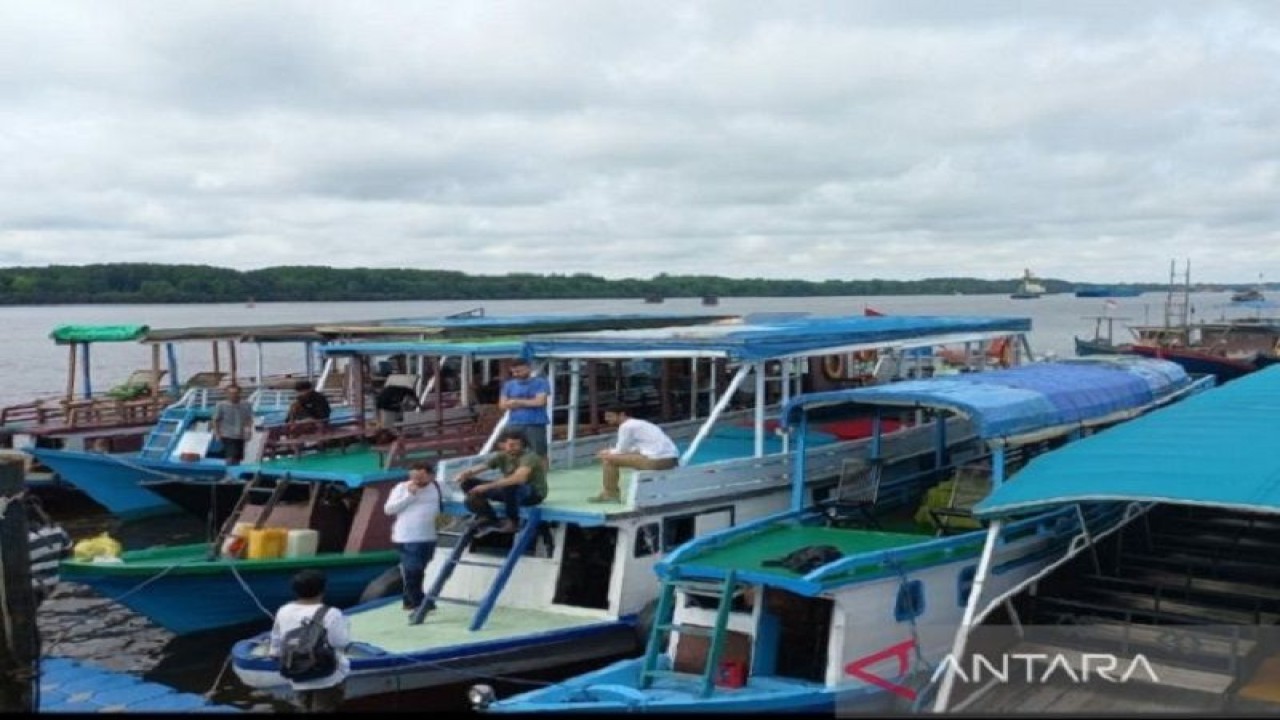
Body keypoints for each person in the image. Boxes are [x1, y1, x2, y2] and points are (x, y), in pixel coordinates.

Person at [270, 569, 350, 713]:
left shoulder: (284, 610)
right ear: (323, 590)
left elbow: (276, 639)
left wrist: (275, 654)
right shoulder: (332, 613)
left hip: (296, 671)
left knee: (302, 707)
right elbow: (340, 642)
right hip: (328, 675)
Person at [453, 428, 547, 537]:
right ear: (503, 445)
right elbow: (483, 467)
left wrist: (487, 486)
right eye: (510, 445)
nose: (514, 448)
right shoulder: (501, 456)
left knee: (510, 484)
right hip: (511, 493)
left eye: (517, 445)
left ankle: (513, 522)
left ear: (523, 445)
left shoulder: (530, 457)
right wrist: (465, 473)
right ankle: (487, 516)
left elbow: (519, 478)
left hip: (532, 494)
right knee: (467, 483)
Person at [382, 461, 441, 611]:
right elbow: (389, 509)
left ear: (431, 476)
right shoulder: (401, 488)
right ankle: (419, 603)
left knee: (419, 570)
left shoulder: (437, 487)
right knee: (413, 569)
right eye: (414, 477)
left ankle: (408, 601)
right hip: (407, 537)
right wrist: (410, 495)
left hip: (428, 537)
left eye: (421, 477)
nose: (417, 481)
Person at [591, 405, 680, 503]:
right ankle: (647, 492)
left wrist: (606, 452)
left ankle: (610, 495)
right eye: (606, 416)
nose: (607, 419)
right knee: (633, 458)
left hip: (657, 461)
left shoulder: (626, 426)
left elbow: (621, 450)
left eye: (610, 416)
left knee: (608, 459)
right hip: (671, 460)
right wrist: (612, 451)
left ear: (622, 415)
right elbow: (635, 449)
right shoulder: (640, 423)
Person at [498, 359, 550, 467]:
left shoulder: (540, 382)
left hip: (535, 423)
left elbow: (540, 402)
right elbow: (502, 405)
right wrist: (528, 402)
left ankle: (542, 480)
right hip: (514, 423)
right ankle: (517, 476)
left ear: (528, 369)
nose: (516, 374)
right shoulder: (509, 385)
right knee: (511, 451)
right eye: (514, 372)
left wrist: (517, 402)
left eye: (519, 371)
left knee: (539, 453)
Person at [25, 494, 71, 607]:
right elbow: (67, 552)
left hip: (32, 587)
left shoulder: (23, 538)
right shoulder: (58, 530)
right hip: (53, 583)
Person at [211, 384, 254, 466]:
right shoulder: (221, 405)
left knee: (239, 457)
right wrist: (217, 433)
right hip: (227, 435)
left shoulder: (246, 405)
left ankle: (235, 473)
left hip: (241, 435)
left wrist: (248, 430)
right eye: (231, 393)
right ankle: (229, 473)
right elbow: (215, 420)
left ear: (240, 393)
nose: (233, 395)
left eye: (236, 393)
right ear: (227, 394)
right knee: (231, 456)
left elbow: (249, 418)